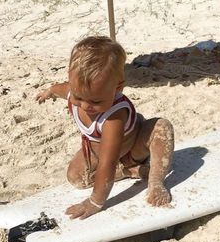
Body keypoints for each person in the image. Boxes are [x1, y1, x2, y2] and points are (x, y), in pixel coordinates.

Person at [36, 36, 174, 220]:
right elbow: (61, 89)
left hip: (134, 147)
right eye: (78, 97)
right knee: (75, 177)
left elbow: (107, 164)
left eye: (96, 101)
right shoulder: (75, 91)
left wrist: (95, 201)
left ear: (118, 88)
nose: (85, 106)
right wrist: (49, 92)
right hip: (99, 150)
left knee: (162, 127)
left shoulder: (113, 118)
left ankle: (155, 180)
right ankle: (129, 171)